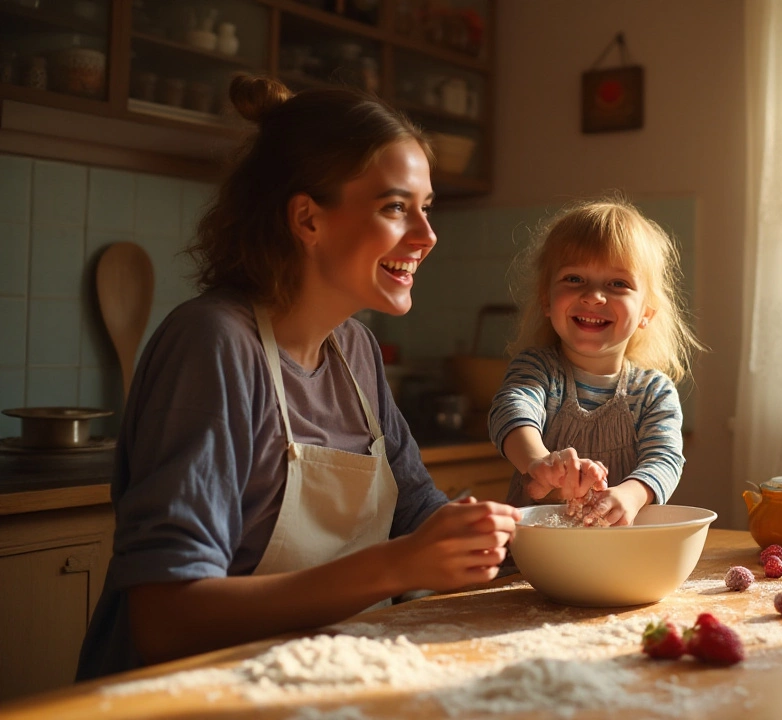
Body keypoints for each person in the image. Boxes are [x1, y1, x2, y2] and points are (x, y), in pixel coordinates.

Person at [77, 75, 520, 680]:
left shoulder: (355, 350)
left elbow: (417, 516)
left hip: (315, 684)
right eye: (396, 207)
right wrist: (396, 567)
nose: (427, 235)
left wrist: (536, 522)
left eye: (426, 208)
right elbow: (165, 620)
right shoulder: (213, 345)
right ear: (308, 219)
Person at [488, 197, 703, 527]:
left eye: (618, 284)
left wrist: (630, 496)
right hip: (534, 557)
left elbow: (665, 458)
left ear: (646, 312)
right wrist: (539, 463)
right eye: (574, 279)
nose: (594, 296)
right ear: (547, 300)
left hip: (618, 555)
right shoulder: (537, 369)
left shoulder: (654, 392)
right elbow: (512, 411)